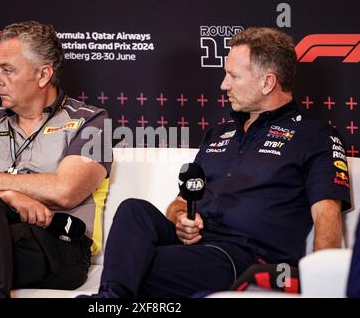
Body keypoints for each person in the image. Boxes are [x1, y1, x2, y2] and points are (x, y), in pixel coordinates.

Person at [80, 27, 351, 298]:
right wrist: (180, 220)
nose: (223, 85)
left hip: (245, 258)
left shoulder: (316, 137)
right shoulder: (218, 134)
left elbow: (326, 219)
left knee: (135, 267)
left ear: (267, 82)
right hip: (195, 248)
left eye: (233, 76)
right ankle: (111, 299)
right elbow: (180, 203)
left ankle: (109, 299)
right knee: (133, 210)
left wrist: (321, 286)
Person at [0, 21, 112, 297]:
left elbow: (66, 191)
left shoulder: (91, 122)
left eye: (7, 70)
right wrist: (10, 196)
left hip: (59, 245)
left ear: (43, 74)